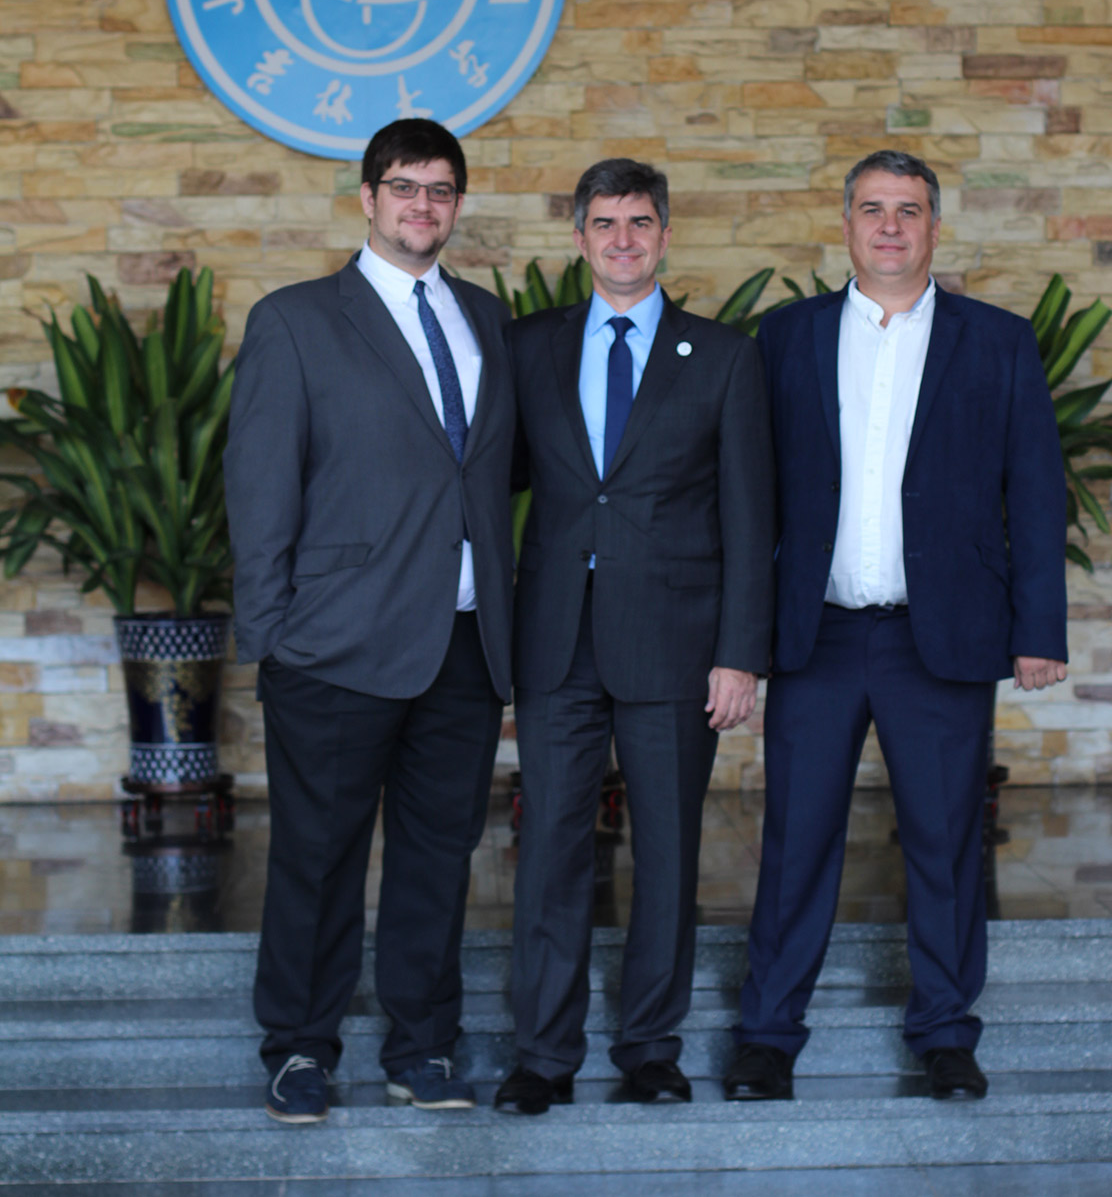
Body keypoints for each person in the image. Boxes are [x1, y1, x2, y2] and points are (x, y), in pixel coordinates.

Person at [725, 149, 1068, 1104]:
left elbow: (1036, 494)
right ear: (845, 224)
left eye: (907, 210)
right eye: (871, 209)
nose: (889, 226)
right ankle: (767, 1033)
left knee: (946, 837)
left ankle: (948, 1031)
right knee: (796, 837)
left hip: (941, 638)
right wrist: (738, 642)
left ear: (933, 227)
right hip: (818, 635)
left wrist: (1039, 628)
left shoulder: (995, 342)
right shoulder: (783, 338)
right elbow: (749, 500)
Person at [224, 118, 516, 1123]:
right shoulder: (298, 320)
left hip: (467, 641)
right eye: (404, 188)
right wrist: (271, 637)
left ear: (458, 205)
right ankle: (300, 1048)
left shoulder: (487, 315)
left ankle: (422, 1045)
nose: (421, 207)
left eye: (440, 191)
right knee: (317, 856)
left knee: (440, 854)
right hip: (334, 646)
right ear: (366, 198)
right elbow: (259, 488)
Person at [495, 158, 775, 1114]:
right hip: (555, 643)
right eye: (605, 223)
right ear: (578, 236)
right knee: (550, 854)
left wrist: (741, 653)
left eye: (640, 222)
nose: (622, 239)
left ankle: (651, 1048)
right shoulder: (528, 346)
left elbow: (750, 515)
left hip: (677, 644)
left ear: (665, 235)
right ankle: (542, 1053)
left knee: (667, 851)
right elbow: (493, 490)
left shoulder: (726, 356)